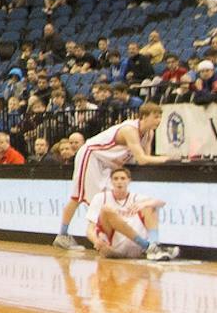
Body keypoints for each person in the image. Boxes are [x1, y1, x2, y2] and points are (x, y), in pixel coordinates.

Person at [54, 105, 171, 252]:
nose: (158, 120)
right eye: (155, 117)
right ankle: (64, 235)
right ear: (144, 117)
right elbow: (142, 159)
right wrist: (167, 159)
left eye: (160, 117)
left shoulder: (149, 133)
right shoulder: (130, 130)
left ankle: (122, 241)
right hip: (92, 156)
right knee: (80, 197)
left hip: (108, 163)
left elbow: (145, 158)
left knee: (110, 200)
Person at [90, 168, 174, 260]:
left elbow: (161, 202)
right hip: (113, 246)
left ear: (129, 181)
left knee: (150, 205)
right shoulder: (100, 197)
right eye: (116, 179)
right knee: (106, 210)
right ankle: (149, 247)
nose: (119, 182)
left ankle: (154, 245)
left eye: (123, 178)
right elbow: (90, 228)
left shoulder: (136, 197)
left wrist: (144, 204)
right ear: (111, 182)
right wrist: (95, 240)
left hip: (137, 247)